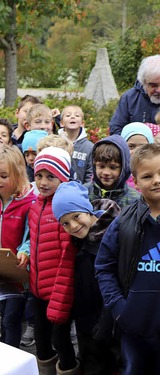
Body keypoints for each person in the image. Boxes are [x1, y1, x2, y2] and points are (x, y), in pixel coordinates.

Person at [95, 143, 160, 374]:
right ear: (136, 180)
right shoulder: (123, 222)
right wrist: (119, 308)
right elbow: (104, 266)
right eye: (148, 175)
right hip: (133, 325)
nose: (156, 180)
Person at [52, 181, 121, 374]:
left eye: (76, 216)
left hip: (109, 320)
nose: (73, 226)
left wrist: (107, 322)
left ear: (87, 210)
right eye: (65, 223)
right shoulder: (75, 241)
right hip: (86, 320)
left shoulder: (111, 237)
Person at [28, 147, 78, 374]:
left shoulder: (63, 208)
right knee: (41, 341)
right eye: (39, 175)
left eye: (51, 176)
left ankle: (68, 369)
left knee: (61, 340)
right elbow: (34, 242)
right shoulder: (36, 205)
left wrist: (60, 299)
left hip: (58, 292)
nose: (43, 182)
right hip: (38, 289)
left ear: (64, 178)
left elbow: (67, 259)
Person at [0, 145, 35, 348]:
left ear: (18, 174)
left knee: (11, 319)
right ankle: (4, 351)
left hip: (19, 271)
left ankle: (11, 357)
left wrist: (25, 251)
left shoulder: (29, 202)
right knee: (4, 315)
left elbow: (31, 235)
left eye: (4, 176)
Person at [83, 135, 140, 209]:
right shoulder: (83, 193)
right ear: (94, 165)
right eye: (101, 166)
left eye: (113, 167)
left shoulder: (135, 200)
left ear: (123, 168)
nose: (106, 172)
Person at [109, 54, 160, 135]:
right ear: (143, 82)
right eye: (153, 85)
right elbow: (116, 129)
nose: (158, 90)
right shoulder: (129, 98)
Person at [58, 105, 94, 184]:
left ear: (82, 123)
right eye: (68, 115)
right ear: (61, 123)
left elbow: (90, 174)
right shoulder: (56, 143)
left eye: (77, 115)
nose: (72, 117)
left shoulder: (89, 147)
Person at [121, 122, 154, 190]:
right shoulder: (117, 173)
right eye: (131, 146)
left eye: (143, 147)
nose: (136, 151)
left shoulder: (156, 173)